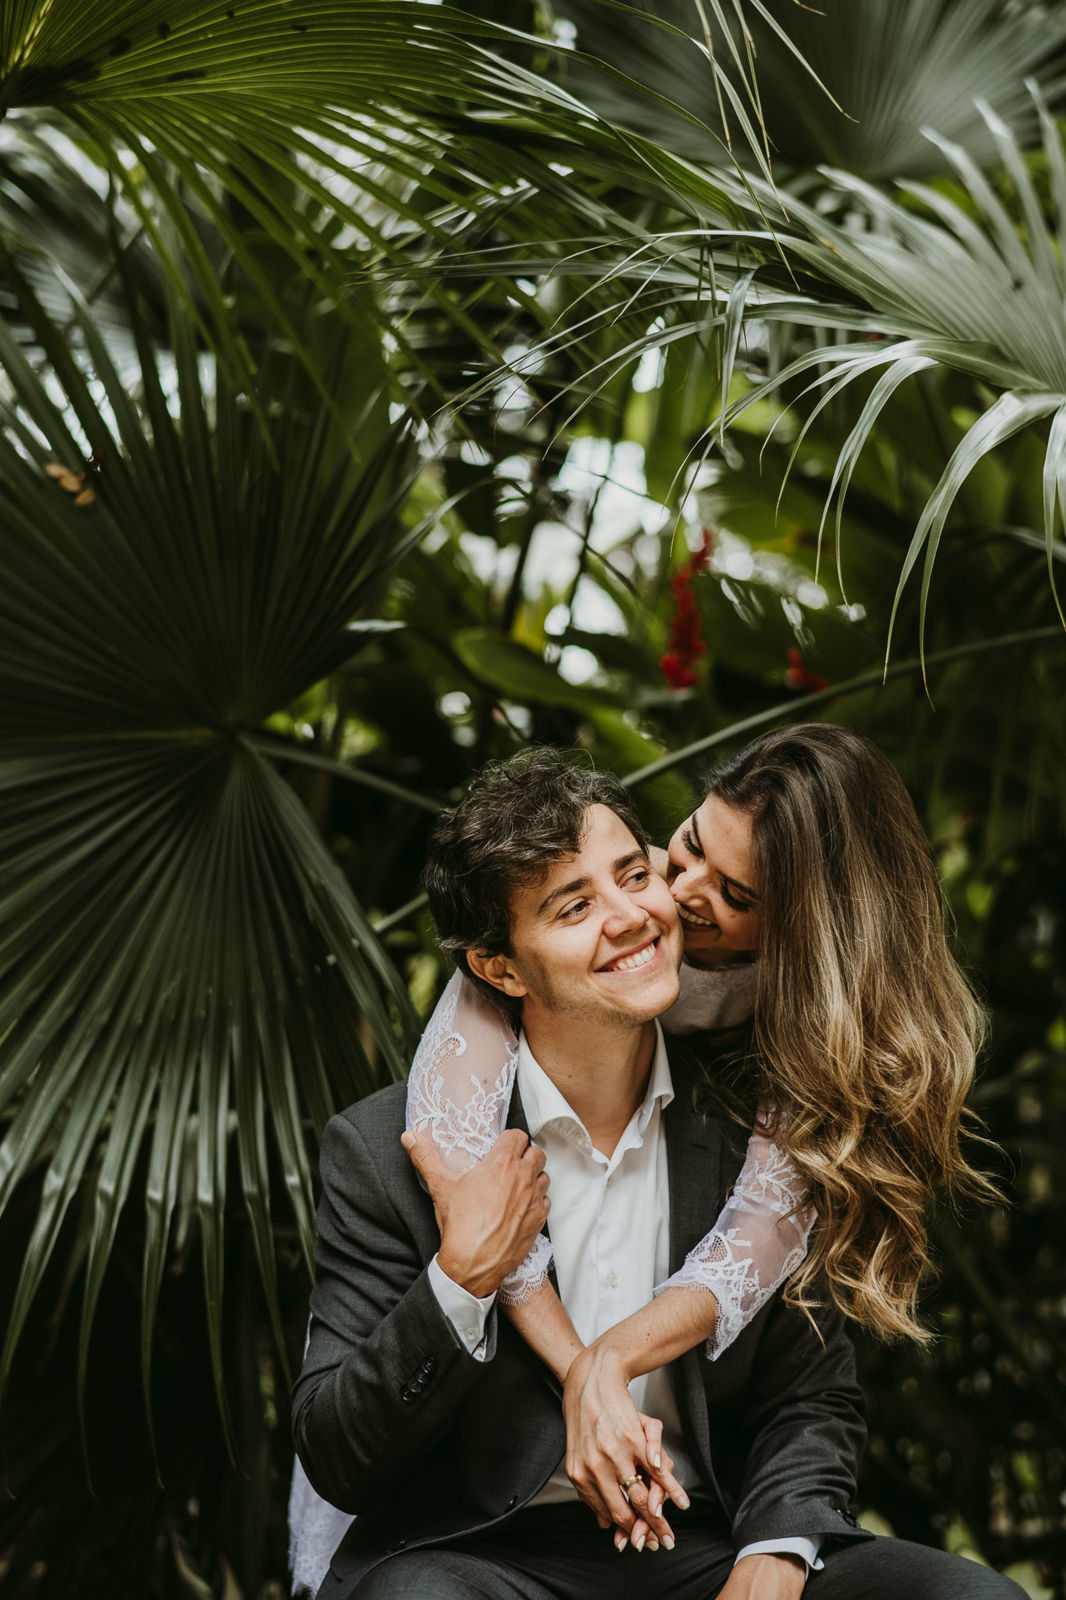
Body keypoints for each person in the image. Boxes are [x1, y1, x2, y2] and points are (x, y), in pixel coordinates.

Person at [291, 744, 1021, 1600]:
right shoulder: (393, 1146)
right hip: (485, 1554)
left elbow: (809, 1397)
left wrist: (777, 1548)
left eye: (635, 875)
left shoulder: (766, 1120)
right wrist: (462, 1277)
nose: (642, 911)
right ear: (498, 968)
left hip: (702, 1541)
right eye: (575, 906)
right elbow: (339, 1456)